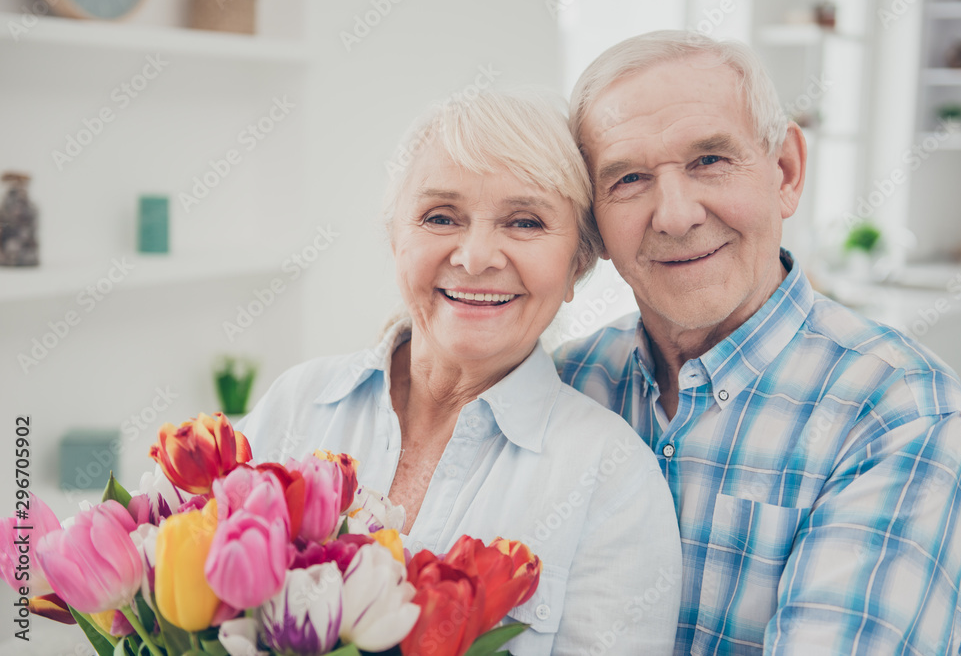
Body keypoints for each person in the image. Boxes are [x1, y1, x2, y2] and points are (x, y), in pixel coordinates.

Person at [554, 30, 961, 655]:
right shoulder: (567, 383)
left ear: (784, 172)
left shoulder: (895, 407)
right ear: (593, 218)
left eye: (709, 160)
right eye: (628, 178)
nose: (675, 215)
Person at [238, 91, 681, 654]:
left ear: (577, 265)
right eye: (440, 217)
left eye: (524, 222)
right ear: (396, 239)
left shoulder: (612, 479)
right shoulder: (298, 402)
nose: (475, 257)